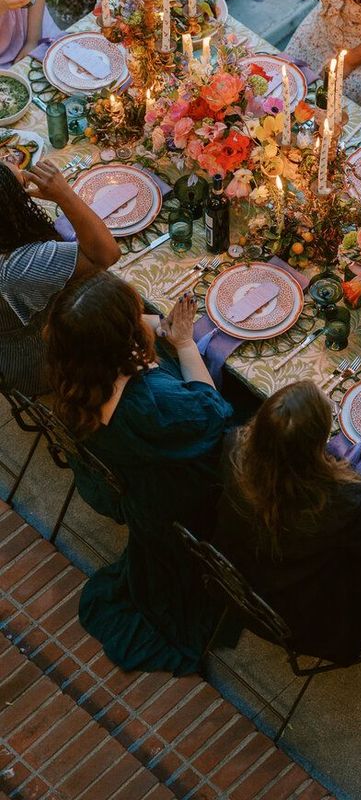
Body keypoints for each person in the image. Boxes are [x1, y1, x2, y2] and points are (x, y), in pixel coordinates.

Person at [45, 274, 234, 675]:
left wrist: (153, 325)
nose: (144, 318)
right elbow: (214, 413)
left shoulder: (77, 373)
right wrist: (183, 342)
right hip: (184, 498)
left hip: (137, 479)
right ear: (123, 336)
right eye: (136, 317)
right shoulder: (151, 405)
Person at [216, 380, 361, 665]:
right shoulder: (339, 501)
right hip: (302, 618)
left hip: (240, 577)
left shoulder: (235, 446)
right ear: (315, 445)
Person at [0, 159, 119, 397]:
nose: (10, 159)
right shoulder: (17, 265)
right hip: (39, 358)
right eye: (23, 186)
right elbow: (106, 254)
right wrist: (64, 195)